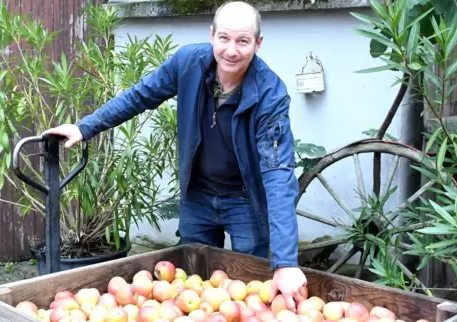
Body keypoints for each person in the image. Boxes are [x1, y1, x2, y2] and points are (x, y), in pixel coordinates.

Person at [43, 0, 307, 312]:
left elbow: (278, 172)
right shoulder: (188, 63)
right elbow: (140, 96)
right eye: (224, 38)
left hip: (245, 201)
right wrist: (85, 127)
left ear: (258, 44)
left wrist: (286, 262)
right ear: (212, 36)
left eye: (242, 41)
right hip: (198, 195)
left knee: (250, 292)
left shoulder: (271, 94)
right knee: (190, 289)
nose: (231, 50)